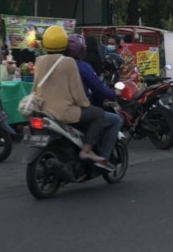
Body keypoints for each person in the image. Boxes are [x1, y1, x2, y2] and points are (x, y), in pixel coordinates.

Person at [33, 26, 111, 164]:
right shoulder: (68, 62)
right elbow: (78, 94)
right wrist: (85, 105)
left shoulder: (39, 60)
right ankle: (86, 150)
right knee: (98, 113)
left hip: (42, 110)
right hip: (62, 112)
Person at [67, 34, 122, 166]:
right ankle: (102, 158)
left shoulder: (51, 64)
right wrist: (113, 93)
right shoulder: (82, 67)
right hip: (74, 109)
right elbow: (99, 89)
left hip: (50, 109)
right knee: (114, 120)